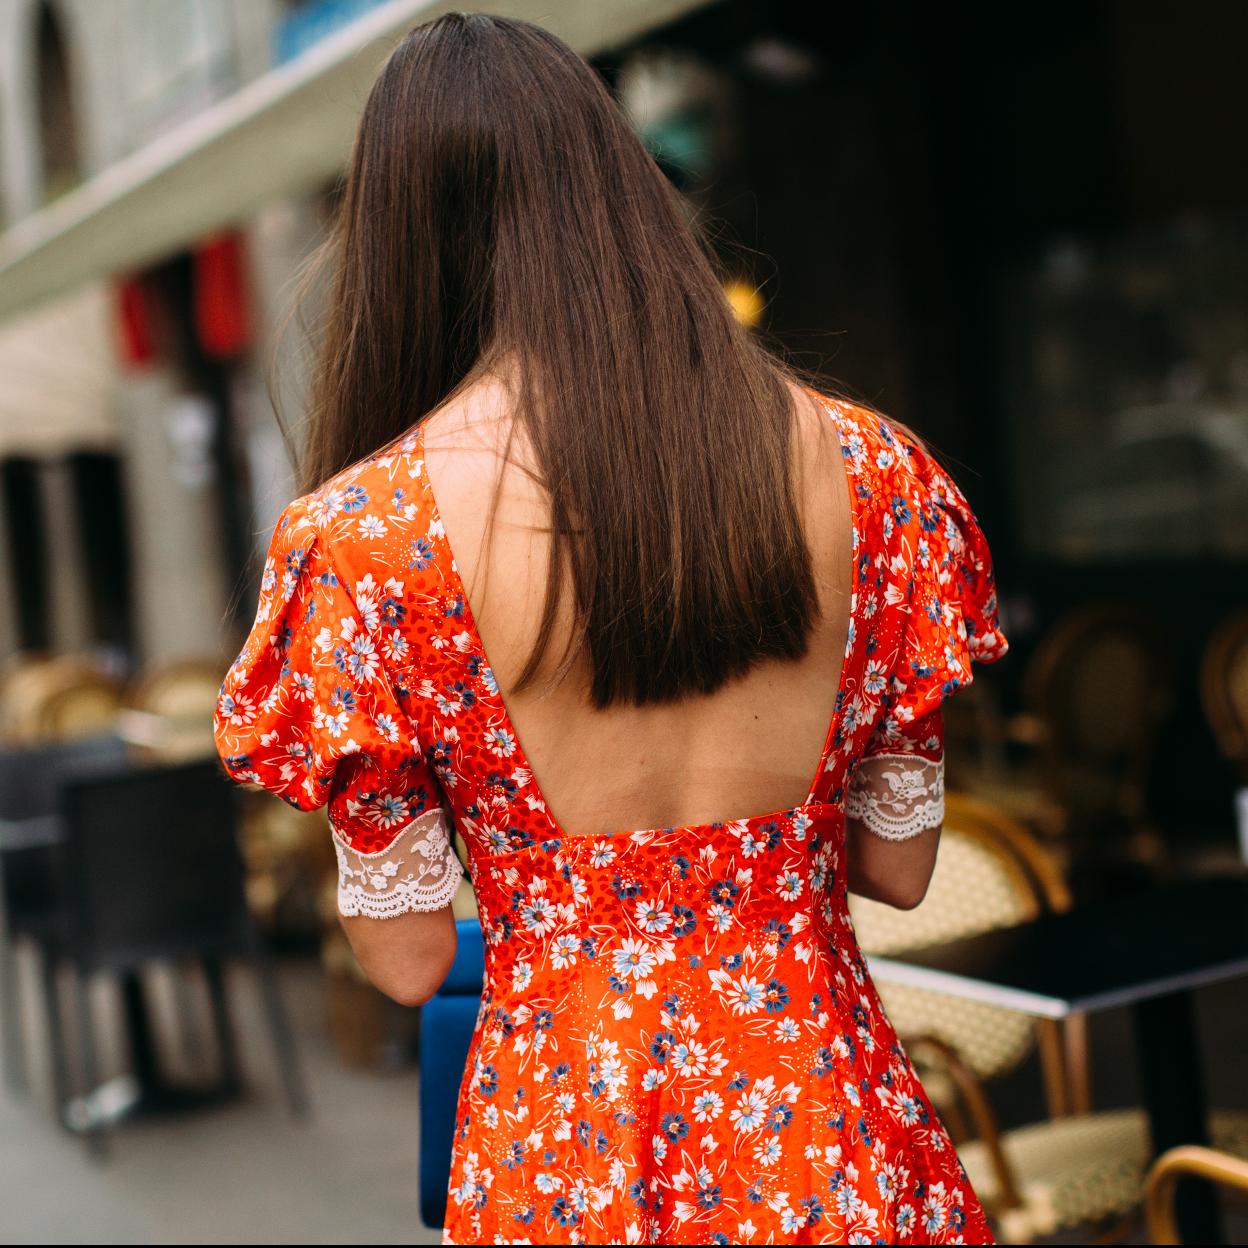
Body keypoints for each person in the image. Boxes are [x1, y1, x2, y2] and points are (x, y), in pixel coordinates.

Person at [214, 13, 1007, 1244]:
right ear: (623, 189)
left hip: (572, 1155)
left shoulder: (364, 543)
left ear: (397, 239)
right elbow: (896, 869)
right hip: (835, 1132)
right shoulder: (876, 475)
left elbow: (409, 960)